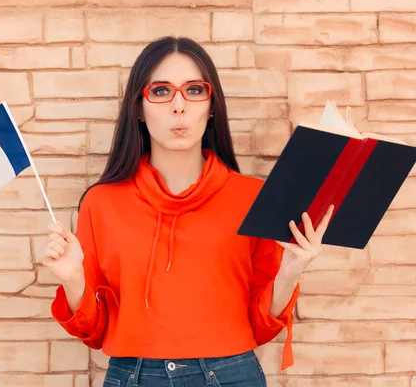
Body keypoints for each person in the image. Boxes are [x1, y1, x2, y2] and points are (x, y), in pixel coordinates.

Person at [42, 36, 333, 387]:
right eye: (161, 92)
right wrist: (74, 279)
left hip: (231, 375)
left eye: (194, 91)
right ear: (138, 107)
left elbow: (260, 326)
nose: (178, 106)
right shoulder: (101, 203)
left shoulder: (253, 197)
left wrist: (288, 274)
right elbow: (95, 331)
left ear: (212, 106)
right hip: (131, 376)